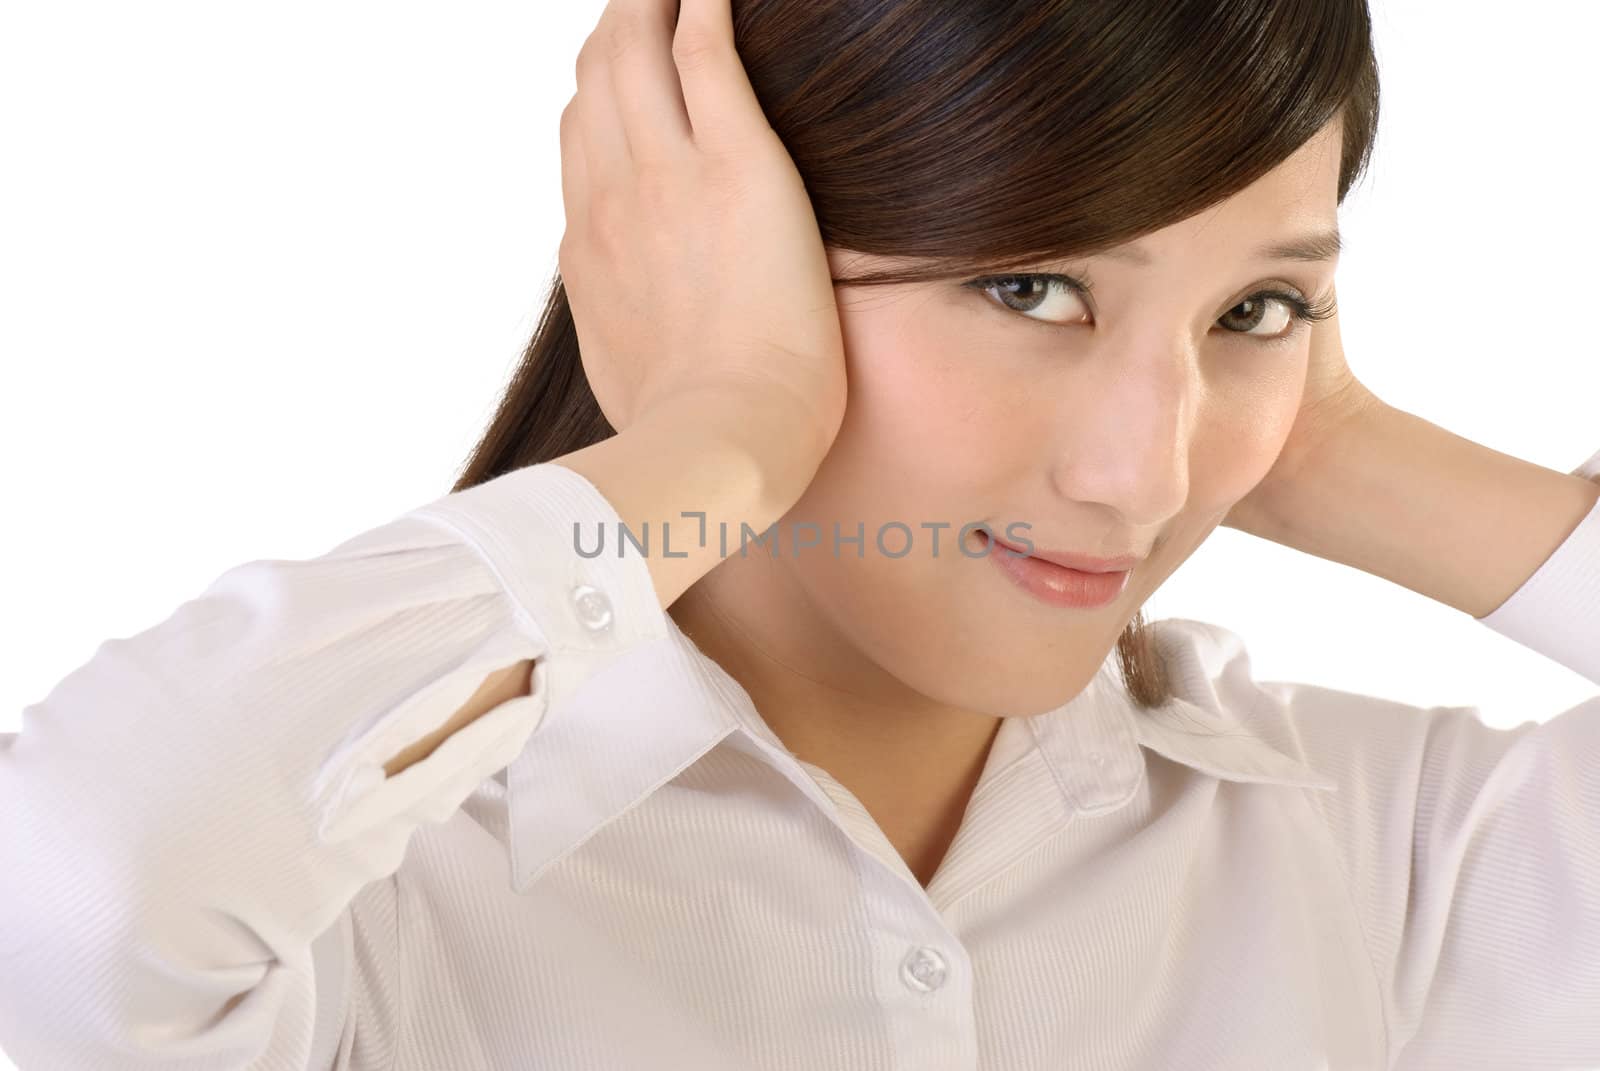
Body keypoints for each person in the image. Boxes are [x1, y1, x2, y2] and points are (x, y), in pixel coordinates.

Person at [2, 0, 1598, 1067]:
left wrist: (1335, 444)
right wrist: (722, 428)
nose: (1143, 471)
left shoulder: (1384, 862)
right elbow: (69, 903)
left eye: (1261, 305)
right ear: (709, 255)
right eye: (1029, 286)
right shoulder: (358, 901)